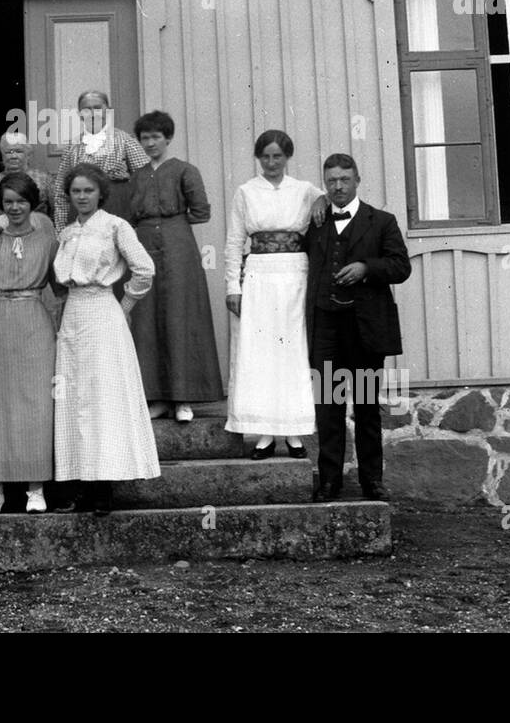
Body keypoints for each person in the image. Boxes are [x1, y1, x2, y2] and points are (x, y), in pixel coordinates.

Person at [52, 163, 159, 515]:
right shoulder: (66, 233)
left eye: (88, 191)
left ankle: (104, 487)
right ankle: (81, 483)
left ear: (101, 193)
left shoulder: (116, 226)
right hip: (72, 316)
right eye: (76, 191)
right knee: (73, 399)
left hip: (102, 313)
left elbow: (145, 269)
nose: (82, 197)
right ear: (68, 196)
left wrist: (125, 303)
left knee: (101, 398)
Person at [305, 153, 411, 503]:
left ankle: (372, 482)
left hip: (365, 331)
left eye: (344, 180)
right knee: (330, 408)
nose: (338, 186)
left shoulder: (381, 221)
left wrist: (366, 267)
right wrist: (317, 202)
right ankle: (330, 481)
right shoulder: (316, 220)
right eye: (331, 181)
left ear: (357, 180)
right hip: (328, 330)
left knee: (366, 407)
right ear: (325, 183)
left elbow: (400, 266)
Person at [224, 130, 326, 460]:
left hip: (296, 274)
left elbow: (330, 201)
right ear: (258, 158)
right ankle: (265, 434)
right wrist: (233, 287)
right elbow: (234, 243)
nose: (271, 163)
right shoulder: (246, 192)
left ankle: (295, 434)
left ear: (287, 158)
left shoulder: (305, 191)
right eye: (265, 156)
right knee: (262, 352)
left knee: (293, 351)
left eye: (277, 156)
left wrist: (322, 198)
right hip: (259, 276)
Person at [0, 173, 59, 514]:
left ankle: (36, 488)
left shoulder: (47, 234)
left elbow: (59, 282)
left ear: (32, 202)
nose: (14, 207)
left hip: (34, 321)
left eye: (21, 200)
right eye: (8, 202)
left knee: (35, 403)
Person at [128, 110, 223, 423]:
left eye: (156, 137)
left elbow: (202, 211)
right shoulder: (137, 175)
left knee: (180, 314)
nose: (151, 143)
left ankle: (183, 399)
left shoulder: (185, 170)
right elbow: (130, 214)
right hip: (143, 244)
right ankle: (155, 397)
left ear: (168, 138)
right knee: (147, 315)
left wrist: (171, 225)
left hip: (178, 244)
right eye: (145, 138)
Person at [51, 90, 150, 228]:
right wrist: (62, 230)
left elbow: (146, 183)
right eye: (86, 109)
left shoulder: (125, 141)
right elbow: (61, 193)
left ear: (107, 111)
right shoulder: (71, 147)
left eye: (97, 108)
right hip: (81, 219)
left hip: (118, 214)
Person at [0, 132, 53, 233]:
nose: (14, 156)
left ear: (28, 155)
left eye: (19, 151)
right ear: (2, 155)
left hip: (39, 240)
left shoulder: (44, 180)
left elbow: (56, 214)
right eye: (9, 152)